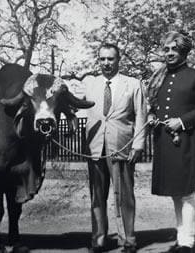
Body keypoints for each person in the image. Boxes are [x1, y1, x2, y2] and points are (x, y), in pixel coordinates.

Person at [145, 31, 195, 253]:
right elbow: (155, 105)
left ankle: (187, 242)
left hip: (187, 140)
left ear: (183, 51)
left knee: (186, 192)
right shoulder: (160, 77)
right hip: (165, 141)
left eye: (173, 49)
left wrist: (182, 121)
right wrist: (151, 115)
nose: (169, 53)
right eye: (166, 49)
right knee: (175, 192)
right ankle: (181, 237)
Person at [83, 43, 147, 253]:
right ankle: (99, 239)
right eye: (102, 59)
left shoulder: (133, 84)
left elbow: (141, 115)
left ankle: (128, 239)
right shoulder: (90, 84)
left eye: (110, 59)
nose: (106, 63)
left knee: (125, 196)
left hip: (122, 146)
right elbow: (77, 108)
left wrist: (138, 144)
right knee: (97, 196)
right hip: (95, 148)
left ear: (118, 60)